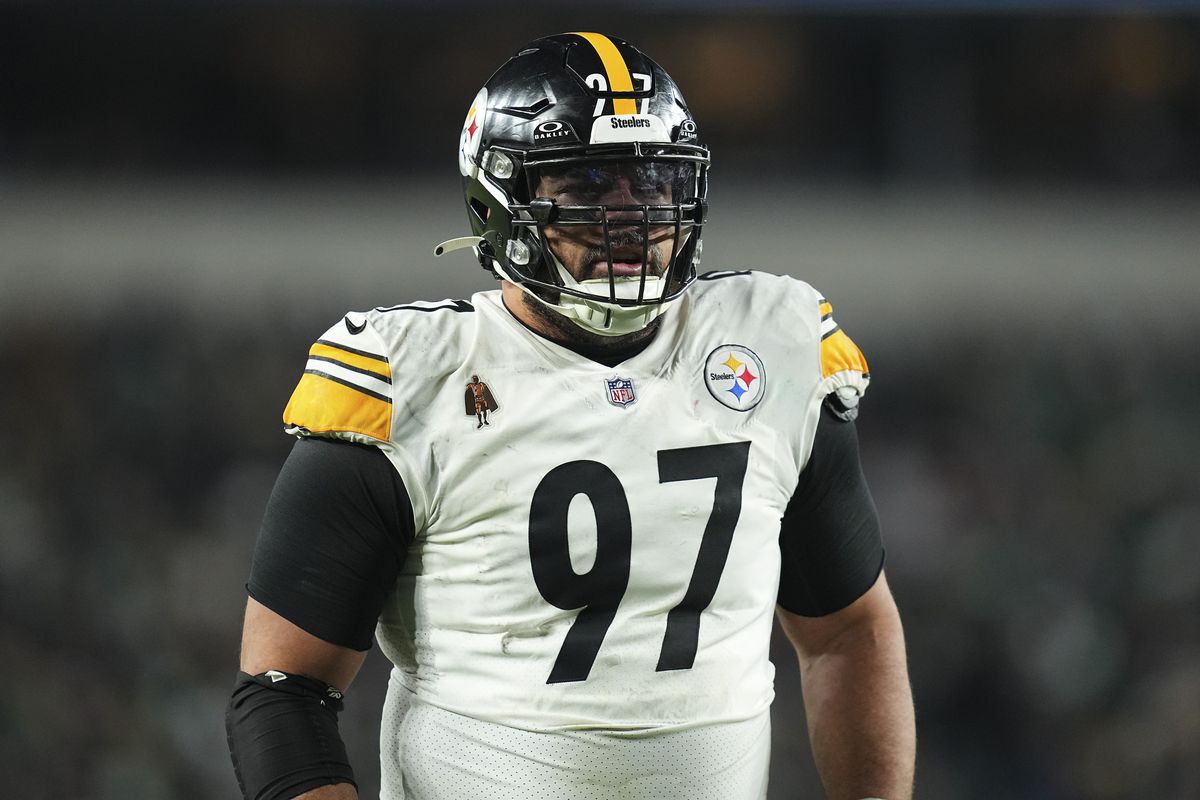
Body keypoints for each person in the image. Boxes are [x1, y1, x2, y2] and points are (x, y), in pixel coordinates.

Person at [226, 32, 915, 800]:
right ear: (500, 202)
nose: (632, 219)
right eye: (589, 183)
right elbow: (284, 691)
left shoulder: (771, 342)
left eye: (654, 183)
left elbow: (848, 635)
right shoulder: (407, 377)